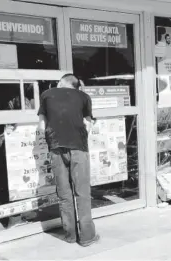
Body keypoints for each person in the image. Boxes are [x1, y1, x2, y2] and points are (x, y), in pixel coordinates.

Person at [37, 73, 99, 247]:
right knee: (82, 193)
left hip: (56, 148)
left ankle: (70, 235)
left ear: (61, 83)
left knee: (64, 195)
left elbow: (42, 126)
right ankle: (87, 237)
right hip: (78, 148)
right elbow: (88, 124)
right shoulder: (84, 97)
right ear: (76, 85)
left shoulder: (47, 94)